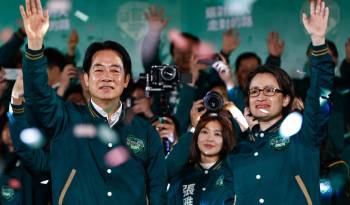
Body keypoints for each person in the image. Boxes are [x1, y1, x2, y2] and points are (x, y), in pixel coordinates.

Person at [167, 1, 334, 204]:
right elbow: (175, 174)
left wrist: (318, 41)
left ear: (286, 99)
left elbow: (320, 92)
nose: (261, 96)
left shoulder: (303, 136)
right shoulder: (239, 150)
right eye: (254, 91)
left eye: (270, 90)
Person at [18, 0, 167, 205]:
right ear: (86, 79)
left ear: (126, 81)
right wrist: (35, 43)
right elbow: (38, 96)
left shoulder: (146, 132)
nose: (107, 76)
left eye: (115, 70)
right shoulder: (65, 119)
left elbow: (158, 189)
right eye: (98, 70)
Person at [167, 111, 236, 205]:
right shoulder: (182, 174)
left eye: (217, 134)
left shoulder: (233, 173)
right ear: (196, 138)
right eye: (204, 132)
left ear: (225, 141)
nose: (209, 139)